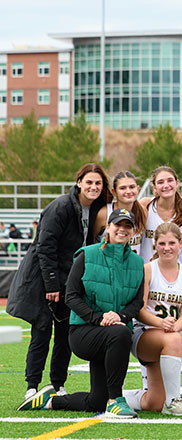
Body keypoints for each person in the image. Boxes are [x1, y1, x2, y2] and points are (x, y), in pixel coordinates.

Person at [19, 208, 144, 417]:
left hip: (112, 334)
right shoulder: (88, 254)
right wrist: (99, 318)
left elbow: (137, 302)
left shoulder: (137, 263)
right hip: (84, 333)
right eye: (118, 225)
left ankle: (50, 401)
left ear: (133, 231)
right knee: (121, 334)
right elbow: (71, 296)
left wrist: (120, 316)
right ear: (108, 227)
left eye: (127, 226)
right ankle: (116, 400)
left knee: (96, 401)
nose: (122, 229)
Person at [9, 163, 111, 400]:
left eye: (98, 183)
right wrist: (52, 285)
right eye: (89, 182)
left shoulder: (97, 208)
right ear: (79, 182)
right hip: (45, 279)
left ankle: (58, 384)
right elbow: (45, 247)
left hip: (70, 280)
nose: (93, 187)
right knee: (42, 332)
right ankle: (32, 386)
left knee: (65, 334)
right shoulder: (61, 206)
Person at [123, 222, 182, 416]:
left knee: (154, 402)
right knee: (173, 338)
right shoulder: (147, 269)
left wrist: (174, 327)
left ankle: (114, 395)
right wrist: (161, 324)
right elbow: (139, 310)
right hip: (144, 334)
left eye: (172, 243)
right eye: (162, 243)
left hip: (167, 338)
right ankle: (173, 402)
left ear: (181, 243)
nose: (167, 248)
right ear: (155, 244)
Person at [138, 166, 182, 262]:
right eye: (160, 182)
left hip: (175, 269)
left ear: (177, 183)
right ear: (154, 187)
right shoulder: (146, 205)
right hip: (148, 269)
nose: (166, 185)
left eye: (170, 180)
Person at [94, 171, 147, 254]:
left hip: (133, 265)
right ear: (114, 192)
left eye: (132, 187)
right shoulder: (105, 212)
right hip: (108, 264)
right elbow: (91, 239)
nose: (128, 191)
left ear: (138, 189)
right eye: (123, 188)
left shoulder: (142, 211)